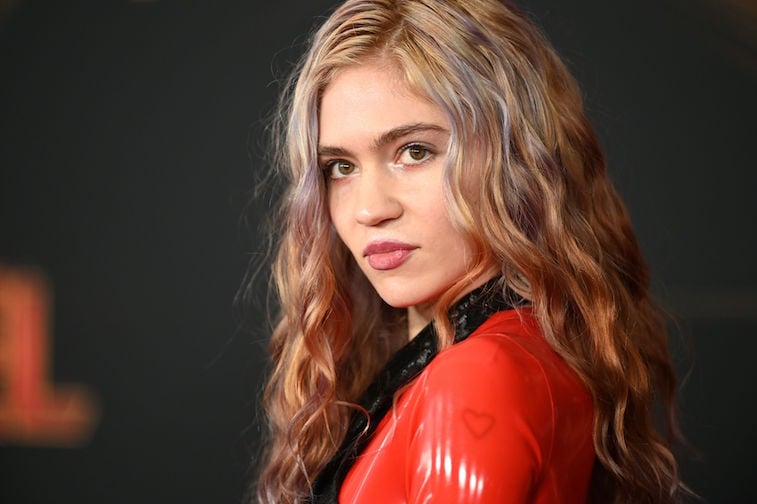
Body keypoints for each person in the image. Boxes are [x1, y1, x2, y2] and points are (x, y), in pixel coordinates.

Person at [250, 0, 687, 502]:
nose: (369, 209)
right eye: (341, 167)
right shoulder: (515, 351)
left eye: (415, 151)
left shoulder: (477, 376)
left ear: (513, 161)